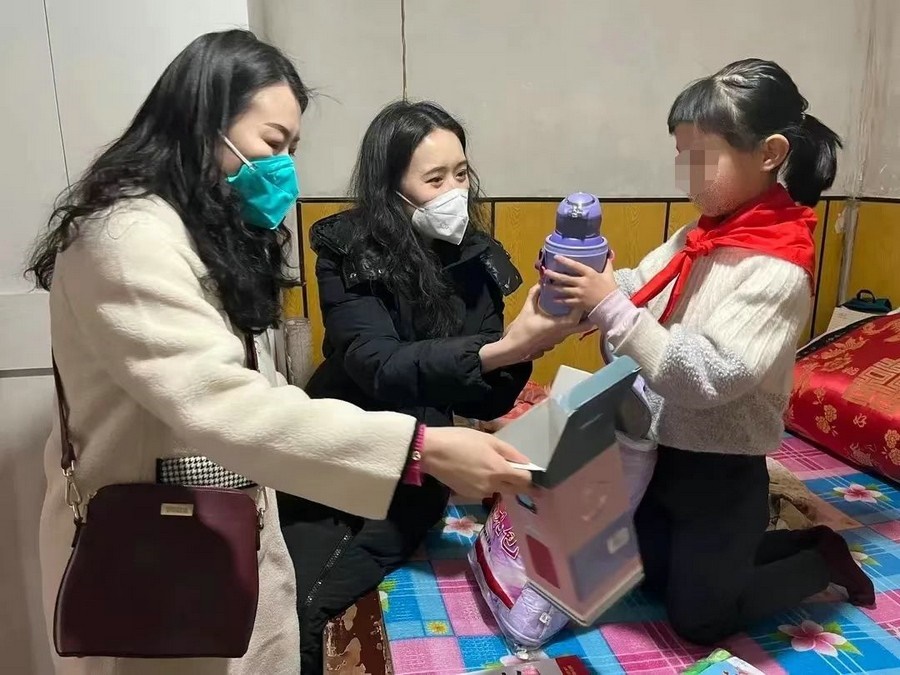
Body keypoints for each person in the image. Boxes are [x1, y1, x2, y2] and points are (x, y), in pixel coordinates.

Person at [27, 31, 533, 675]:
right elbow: (226, 407)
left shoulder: (200, 235)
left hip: (224, 529)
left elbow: (262, 393)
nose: (284, 168)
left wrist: (513, 356)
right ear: (202, 125)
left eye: (293, 148)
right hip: (156, 556)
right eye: (272, 143)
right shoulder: (127, 239)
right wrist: (420, 449)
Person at [543, 58, 875, 645]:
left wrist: (613, 309)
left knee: (700, 620)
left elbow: (710, 375)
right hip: (657, 446)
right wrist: (592, 285)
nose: (686, 175)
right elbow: (644, 286)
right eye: (681, 156)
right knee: (645, 575)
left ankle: (818, 558)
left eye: (701, 158)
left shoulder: (777, 269)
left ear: (770, 153)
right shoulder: (703, 232)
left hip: (722, 466)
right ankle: (740, 557)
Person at [277, 100, 584, 671]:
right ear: (391, 187)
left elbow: (487, 396)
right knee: (296, 602)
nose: (454, 192)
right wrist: (506, 348)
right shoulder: (345, 250)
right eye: (435, 179)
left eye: (461, 174)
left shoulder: (478, 257)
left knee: (324, 596)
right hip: (341, 450)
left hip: (423, 467)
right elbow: (377, 365)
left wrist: (531, 342)